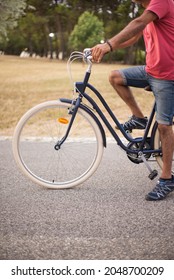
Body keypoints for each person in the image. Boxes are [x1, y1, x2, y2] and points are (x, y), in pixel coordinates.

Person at [91, 0, 174, 201]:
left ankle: (166, 178)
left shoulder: (161, 2)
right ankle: (139, 118)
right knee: (115, 77)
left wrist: (108, 45)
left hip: (166, 76)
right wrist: (103, 47)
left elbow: (138, 23)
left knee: (164, 126)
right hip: (151, 71)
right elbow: (133, 37)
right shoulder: (149, 10)